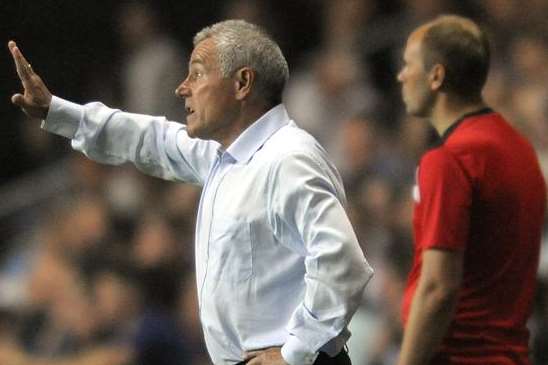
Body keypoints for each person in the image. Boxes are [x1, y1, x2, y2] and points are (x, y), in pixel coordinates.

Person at [9, 19, 373, 365]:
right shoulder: (223, 156)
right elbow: (150, 138)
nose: (182, 87)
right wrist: (57, 112)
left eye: (197, 73)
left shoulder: (288, 158)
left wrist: (297, 351)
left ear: (243, 82)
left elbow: (344, 265)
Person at [396, 15, 546, 365]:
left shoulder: (449, 160)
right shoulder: (520, 149)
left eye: (408, 65)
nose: (401, 76)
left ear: (436, 76)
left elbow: (437, 288)